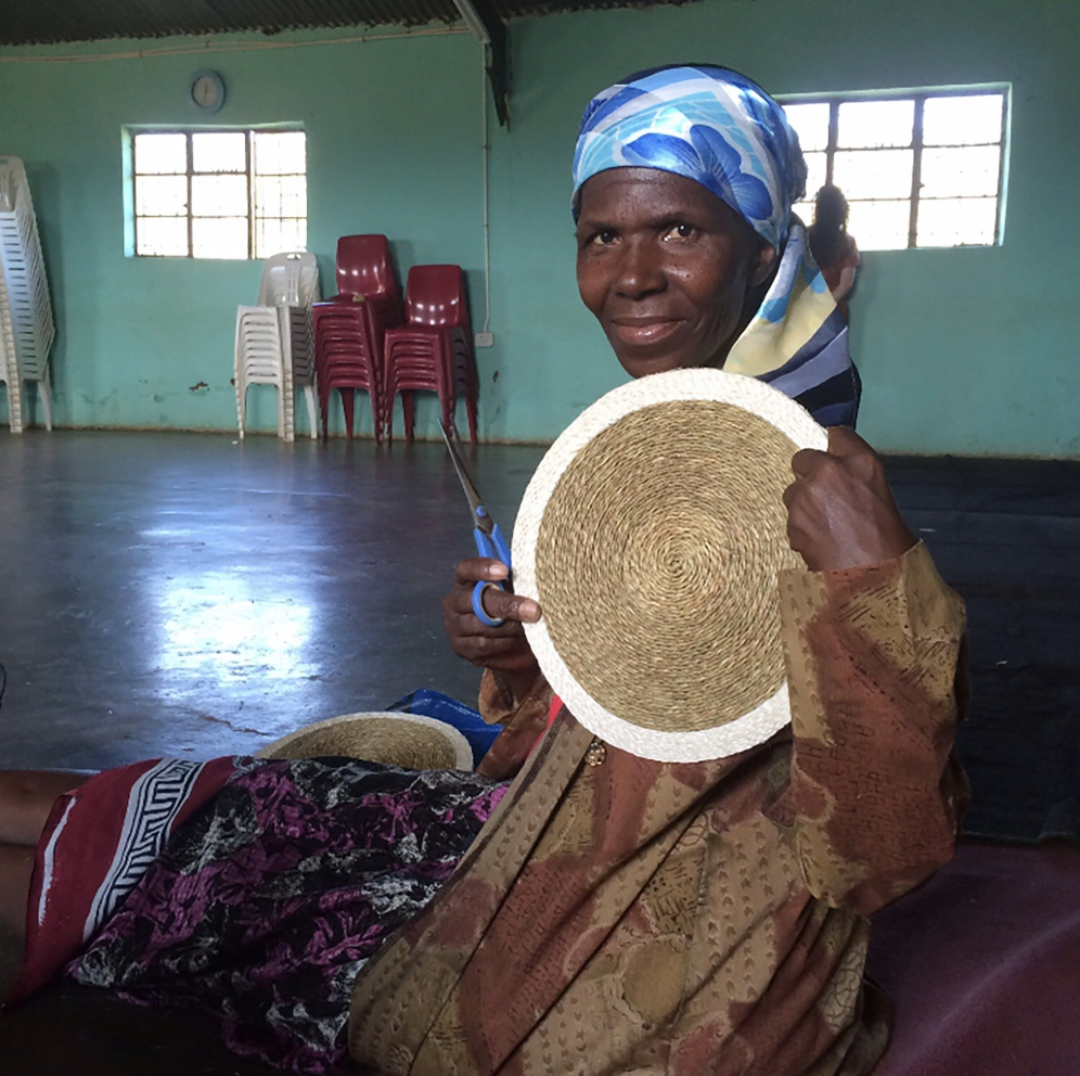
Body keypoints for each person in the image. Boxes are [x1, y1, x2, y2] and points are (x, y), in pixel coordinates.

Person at [1, 66, 965, 1076]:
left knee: (227, 868)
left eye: (680, 228)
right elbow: (637, 721)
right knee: (234, 799)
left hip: (645, 961)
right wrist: (524, 653)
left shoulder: (827, 495)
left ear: (763, 248)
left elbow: (882, 849)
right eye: (602, 236)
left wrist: (871, 588)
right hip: (530, 841)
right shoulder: (661, 453)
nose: (629, 273)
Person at [808, 184, 861, 319]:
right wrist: (825, 304)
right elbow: (845, 285)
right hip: (833, 311)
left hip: (804, 310)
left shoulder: (803, 237)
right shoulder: (847, 243)